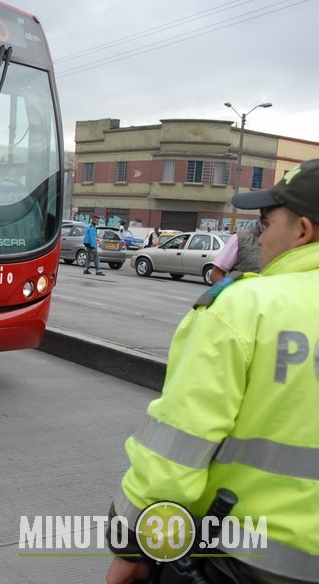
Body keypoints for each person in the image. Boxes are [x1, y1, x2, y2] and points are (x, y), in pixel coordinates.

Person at [106, 159, 319, 584]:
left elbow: (176, 446)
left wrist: (133, 545)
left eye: (265, 221)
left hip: (241, 560)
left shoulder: (244, 308)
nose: (259, 234)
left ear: (303, 231)